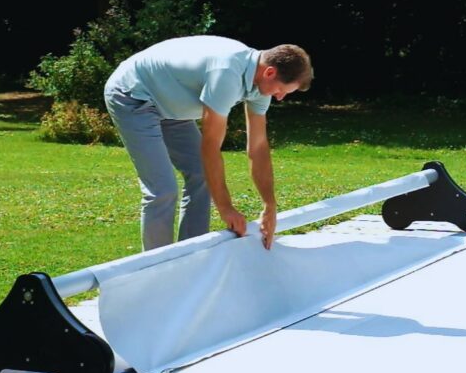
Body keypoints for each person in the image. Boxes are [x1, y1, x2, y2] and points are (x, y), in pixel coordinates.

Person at [103, 35, 313, 251]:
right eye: (282, 91)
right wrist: (226, 208)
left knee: (201, 175)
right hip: (133, 95)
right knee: (163, 189)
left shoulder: (260, 85)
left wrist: (270, 205)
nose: (280, 98)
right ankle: (158, 268)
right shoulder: (227, 72)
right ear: (270, 72)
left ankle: (191, 255)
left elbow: (258, 147)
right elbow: (210, 146)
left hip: (171, 108)